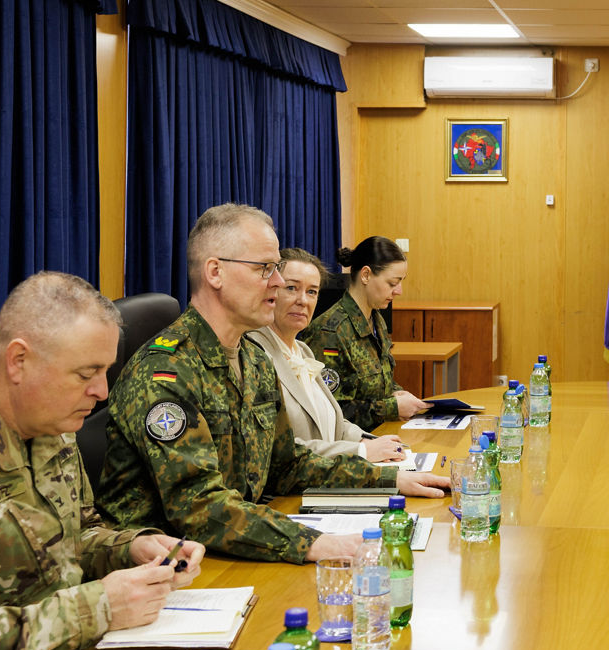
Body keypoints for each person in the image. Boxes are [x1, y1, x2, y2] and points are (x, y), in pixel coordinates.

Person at [98, 204, 449, 564]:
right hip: (163, 575)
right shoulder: (166, 372)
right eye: (265, 268)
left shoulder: (254, 359)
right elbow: (199, 507)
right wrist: (315, 543)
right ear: (215, 272)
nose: (278, 282)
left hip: (231, 554)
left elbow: (288, 464)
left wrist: (388, 479)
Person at [0, 273, 204, 650]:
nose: (102, 391)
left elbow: (78, 533)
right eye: (86, 373)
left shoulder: (53, 426)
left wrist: (132, 546)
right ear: (18, 360)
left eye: (105, 371)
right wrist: (94, 609)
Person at [249, 248, 408, 461]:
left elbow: (334, 422)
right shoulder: (253, 355)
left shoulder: (302, 350)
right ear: (271, 289)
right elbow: (277, 450)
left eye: (312, 291)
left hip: (326, 477)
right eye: (291, 288)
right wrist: (361, 451)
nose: (303, 300)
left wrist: (367, 441)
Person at [303, 236, 430, 432]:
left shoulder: (376, 319)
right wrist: (392, 407)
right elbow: (331, 411)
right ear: (366, 275)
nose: (399, 291)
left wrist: (398, 393)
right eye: (392, 283)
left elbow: (378, 382)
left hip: (384, 434)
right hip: (353, 447)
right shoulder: (331, 332)